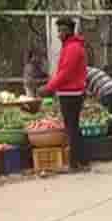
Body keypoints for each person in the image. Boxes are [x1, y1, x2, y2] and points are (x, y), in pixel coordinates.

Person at [40, 17, 88, 172]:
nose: (59, 34)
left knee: (71, 128)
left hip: (71, 93)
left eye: (61, 31)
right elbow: (64, 72)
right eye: (58, 31)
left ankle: (74, 164)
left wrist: (48, 88)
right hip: (71, 92)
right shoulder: (71, 46)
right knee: (74, 127)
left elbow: (65, 73)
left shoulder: (72, 48)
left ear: (69, 31)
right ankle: (82, 161)